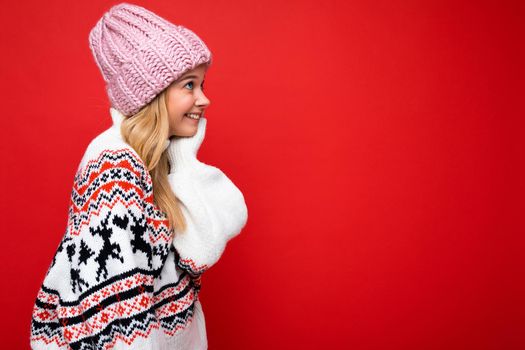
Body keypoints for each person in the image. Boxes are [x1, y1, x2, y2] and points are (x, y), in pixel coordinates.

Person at [29, 3, 248, 349]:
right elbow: (117, 322)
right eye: (189, 85)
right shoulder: (116, 168)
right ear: (151, 94)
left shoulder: (156, 160)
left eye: (201, 83)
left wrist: (182, 156)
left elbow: (201, 251)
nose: (204, 99)